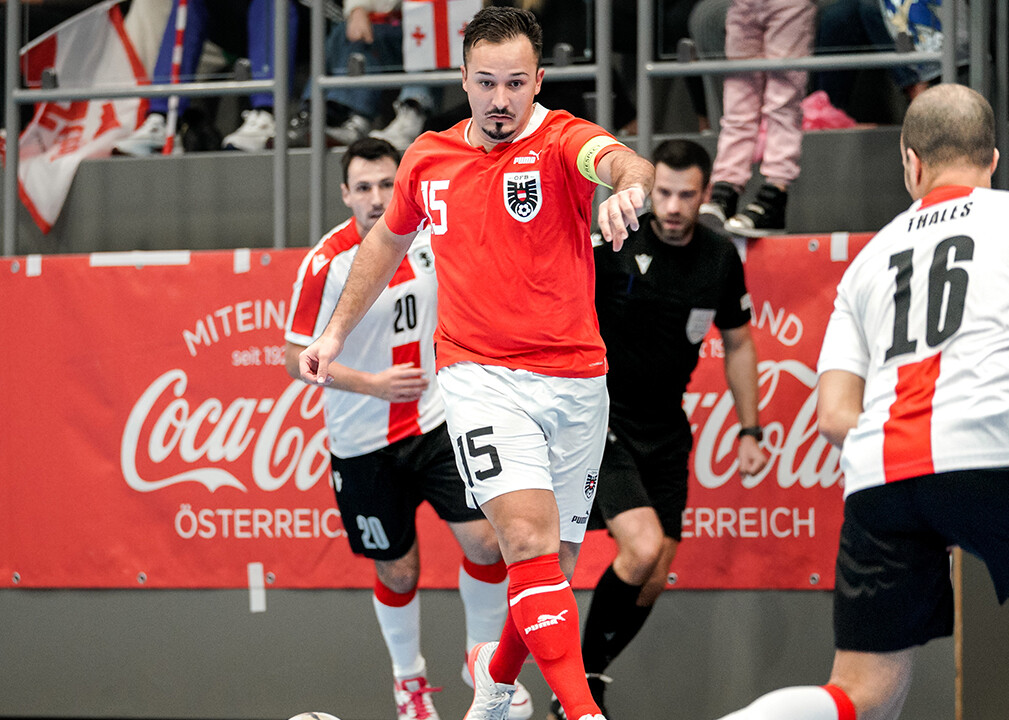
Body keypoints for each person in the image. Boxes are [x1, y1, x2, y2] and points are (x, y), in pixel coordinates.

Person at [716, 83, 1009, 720]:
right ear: (994, 158)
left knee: (862, 695)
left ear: (910, 161)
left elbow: (831, 417)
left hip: (882, 473)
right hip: (1000, 442)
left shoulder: (866, 261)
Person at [296, 7, 655, 720]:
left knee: (547, 569)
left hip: (578, 381)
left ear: (538, 81)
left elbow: (619, 160)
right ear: (463, 79)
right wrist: (334, 332)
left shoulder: (560, 140)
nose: (499, 98)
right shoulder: (427, 157)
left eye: (516, 83)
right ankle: (582, 714)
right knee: (520, 537)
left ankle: (493, 688)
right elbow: (383, 247)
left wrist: (632, 190)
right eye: (485, 82)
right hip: (479, 377)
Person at [283, 137, 533, 720]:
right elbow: (293, 358)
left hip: (438, 424)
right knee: (398, 567)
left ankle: (483, 664)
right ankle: (408, 681)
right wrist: (371, 384)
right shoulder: (326, 263)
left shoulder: (432, 237)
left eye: (385, 185)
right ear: (345, 194)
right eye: (363, 187)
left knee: (488, 541)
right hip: (362, 443)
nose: (375, 198)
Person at [552, 139, 769, 720]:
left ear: (706, 196)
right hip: (603, 417)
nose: (672, 207)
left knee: (654, 573)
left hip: (667, 427)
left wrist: (751, 431)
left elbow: (741, 342)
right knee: (641, 546)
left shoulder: (721, 257)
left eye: (686, 195)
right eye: (663, 193)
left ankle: (580, 682)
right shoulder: (616, 242)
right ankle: (582, 691)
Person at [115, 0, 300, 155]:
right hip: (237, 18)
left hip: (306, 17)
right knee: (190, 2)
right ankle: (165, 118)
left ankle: (267, 116)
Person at [699, 0, 816, 237]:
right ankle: (724, 191)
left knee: (782, 103)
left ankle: (774, 195)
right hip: (742, 5)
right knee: (737, 106)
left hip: (788, 4)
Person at [288, 0, 436, 150]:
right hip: (389, 27)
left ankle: (411, 110)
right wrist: (358, 9)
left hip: (432, 26)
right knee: (346, 30)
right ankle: (320, 116)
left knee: (427, 24)